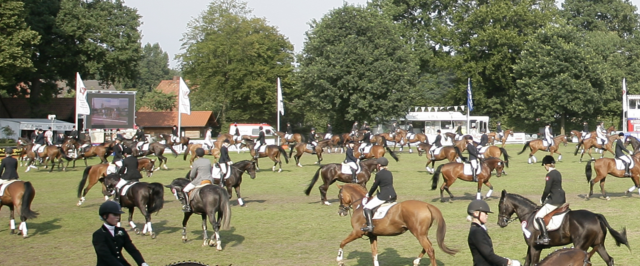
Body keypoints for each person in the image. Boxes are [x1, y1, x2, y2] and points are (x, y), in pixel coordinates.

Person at [93, 201, 149, 266]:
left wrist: (142, 263)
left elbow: (132, 249)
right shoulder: (98, 235)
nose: (118, 217)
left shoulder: (121, 231)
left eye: (118, 215)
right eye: (115, 215)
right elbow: (105, 255)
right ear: (105, 216)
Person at [467, 200, 521, 266]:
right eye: (485, 213)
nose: (487, 216)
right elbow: (488, 255)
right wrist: (508, 262)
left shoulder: (478, 229)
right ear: (476, 213)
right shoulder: (476, 232)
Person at [534, 155, 566, 245]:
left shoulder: (549, 175)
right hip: (561, 198)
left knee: (538, 216)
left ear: (546, 165)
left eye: (544, 165)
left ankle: (545, 237)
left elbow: (547, 189)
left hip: (555, 200)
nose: (544, 167)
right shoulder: (558, 172)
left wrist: (542, 199)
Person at [361, 157, 396, 232]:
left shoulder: (379, 174)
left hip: (384, 196)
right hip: (393, 194)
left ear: (379, 165)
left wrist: (369, 195)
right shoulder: (389, 173)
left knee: (367, 207)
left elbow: (374, 186)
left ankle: (370, 226)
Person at [181, 148, 213, 212]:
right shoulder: (208, 161)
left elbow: (192, 174)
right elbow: (210, 170)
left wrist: (192, 179)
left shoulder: (196, 162)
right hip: (209, 180)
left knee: (185, 190)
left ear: (196, 155)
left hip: (200, 181)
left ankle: (187, 205)